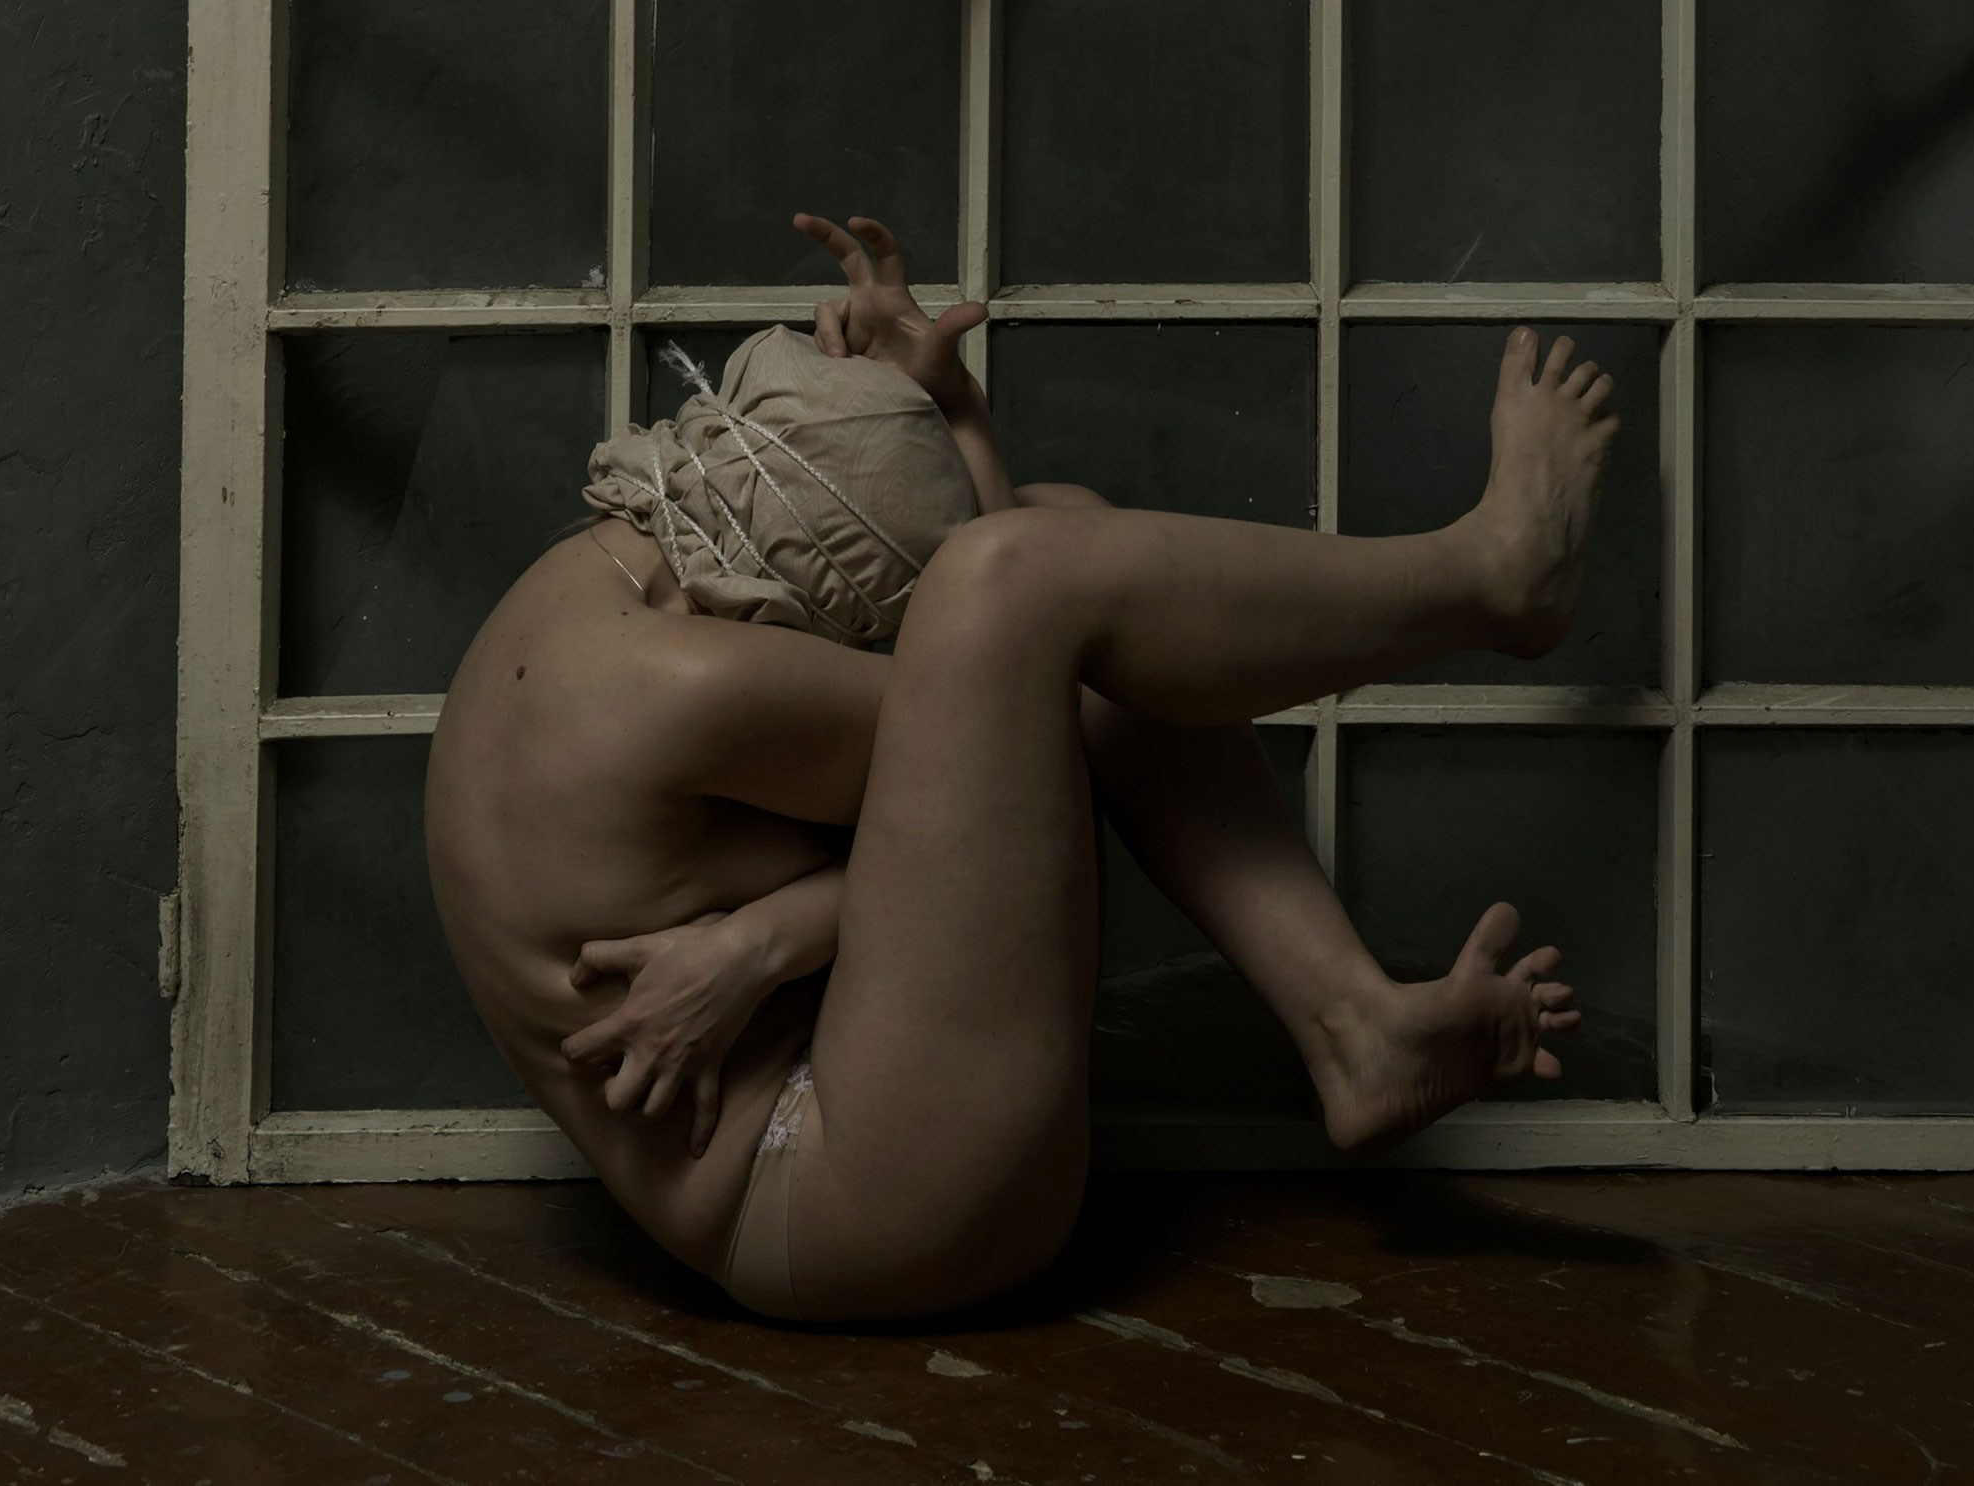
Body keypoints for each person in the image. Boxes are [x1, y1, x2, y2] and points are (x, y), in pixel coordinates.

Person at [425, 212, 1618, 1325]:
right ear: (763, 611)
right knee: (1023, 583)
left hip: (856, 1137)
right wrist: (767, 942)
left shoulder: (594, 590)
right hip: (848, 1203)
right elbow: (1020, 669)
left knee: (1051, 528)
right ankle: (1489, 580)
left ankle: (1355, 1029)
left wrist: (938, 409)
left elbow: (1000, 719)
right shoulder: (693, 690)